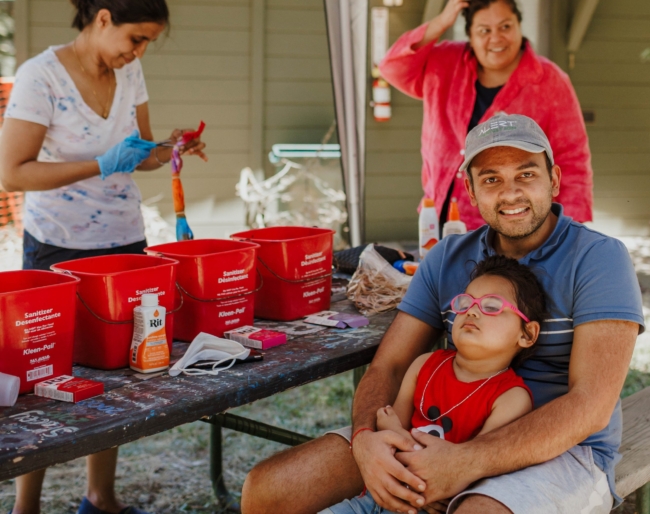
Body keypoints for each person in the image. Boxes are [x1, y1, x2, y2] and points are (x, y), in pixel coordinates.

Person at [240, 113, 644, 514]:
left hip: (564, 450)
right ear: (469, 189)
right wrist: (366, 440)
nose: (511, 193)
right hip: (436, 430)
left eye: (526, 175)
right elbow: (390, 366)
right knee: (270, 490)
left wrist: (467, 462)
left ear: (553, 180)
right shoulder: (448, 258)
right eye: (491, 179)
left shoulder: (598, 258)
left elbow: (589, 405)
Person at [0, 1, 205, 513]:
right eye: (136, 38)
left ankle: (101, 498)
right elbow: (13, 173)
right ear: (104, 18)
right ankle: (26, 507)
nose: (138, 52)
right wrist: (98, 164)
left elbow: (138, 153)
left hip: (124, 242)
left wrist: (169, 147)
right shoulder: (39, 76)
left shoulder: (128, 69)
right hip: (58, 246)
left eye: (147, 44)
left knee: (116, 371)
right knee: (44, 377)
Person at [323, 255, 546, 514]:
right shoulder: (424, 365)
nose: (472, 310)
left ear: (527, 334)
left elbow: (474, 467)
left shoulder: (511, 398)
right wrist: (393, 431)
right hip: (378, 497)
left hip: (434, 507)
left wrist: (396, 431)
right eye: (465, 303)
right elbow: (389, 430)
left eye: (492, 305)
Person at [378, 0, 592, 230]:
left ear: (519, 26)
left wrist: (569, 233)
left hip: (511, 226)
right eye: (484, 30)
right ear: (469, 34)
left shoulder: (550, 80)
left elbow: (572, 160)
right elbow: (392, 67)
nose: (496, 38)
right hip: (438, 217)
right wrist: (441, 21)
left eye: (505, 26)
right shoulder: (445, 62)